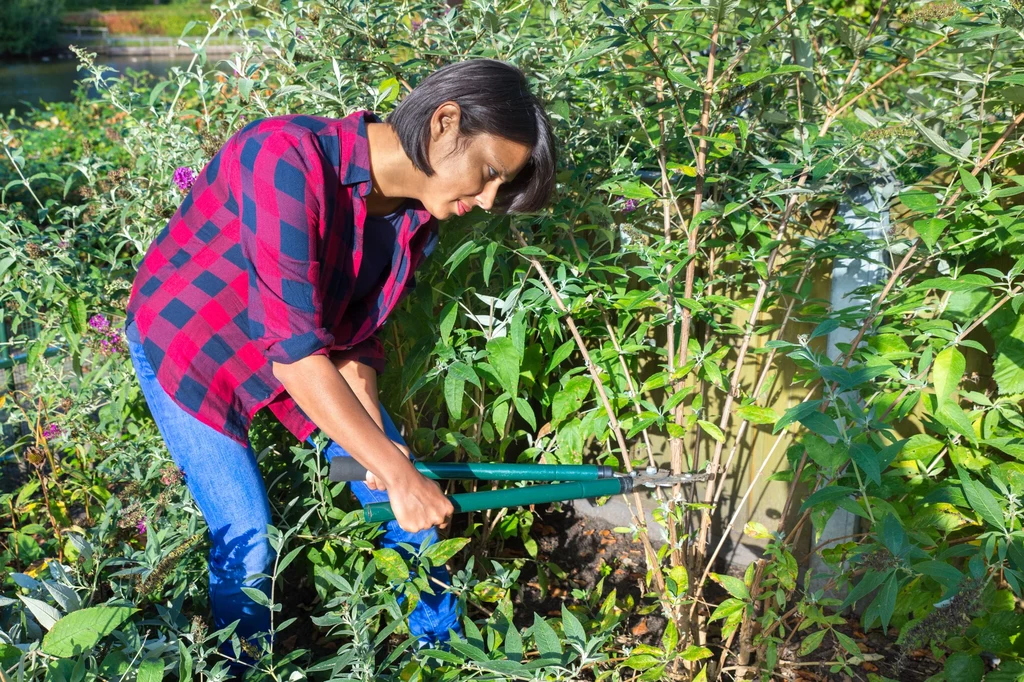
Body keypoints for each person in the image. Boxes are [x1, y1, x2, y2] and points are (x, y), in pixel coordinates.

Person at [121, 58, 557, 676]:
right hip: (192, 345)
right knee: (248, 543)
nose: (487, 200)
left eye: (499, 187)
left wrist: (386, 459)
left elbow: (353, 345)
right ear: (445, 121)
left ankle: (441, 660)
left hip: (297, 355)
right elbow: (298, 358)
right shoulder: (284, 158)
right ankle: (244, 670)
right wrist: (391, 468)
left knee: (407, 499)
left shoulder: (414, 218)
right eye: (488, 173)